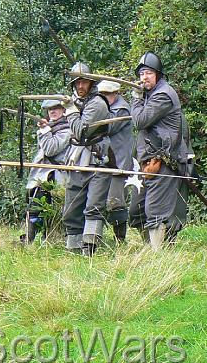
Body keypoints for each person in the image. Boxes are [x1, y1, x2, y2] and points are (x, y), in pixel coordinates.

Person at [129, 52, 189, 251]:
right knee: (136, 210)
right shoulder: (151, 95)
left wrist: (136, 99)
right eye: (141, 74)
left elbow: (139, 121)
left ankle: (158, 257)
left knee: (155, 210)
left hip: (163, 161)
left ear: (158, 74)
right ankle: (152, 249)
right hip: (148, 162)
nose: (143, 77)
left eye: (148, 73)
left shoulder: (163, 95)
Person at [61, 62, 112, 256]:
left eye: (84, 82)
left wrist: (71, 111)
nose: (80, 86)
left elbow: (81, 130)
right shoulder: (77, 102)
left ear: (91, 84)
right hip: (77, 159)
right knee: (71, 207)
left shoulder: (98, 103)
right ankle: (72, 249)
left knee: (93, 207)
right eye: (77, 83)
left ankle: (89, 249)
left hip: (97, 159)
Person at [22, 98, 71, 245]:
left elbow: (51, 149)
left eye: (56, 108)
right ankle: (28, 241)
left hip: (57, 176)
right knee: (35, 209)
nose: (53, 111)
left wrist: (44, 131)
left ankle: (51, 241)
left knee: (54, 211)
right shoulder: (50, 127)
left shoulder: (68, 130)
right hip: (42, 176)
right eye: (50, 109)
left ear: (64, 110)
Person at [97, 80, 134, 242]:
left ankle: (120, 240)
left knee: (115, 201)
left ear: (116, 94)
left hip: (119, 164)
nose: (104, 97)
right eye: (101, 94)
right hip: (104, 161)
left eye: (107, 94)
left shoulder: (122, 110)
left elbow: (107, 128)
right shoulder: (108, 108)